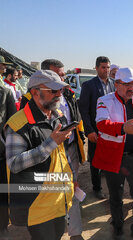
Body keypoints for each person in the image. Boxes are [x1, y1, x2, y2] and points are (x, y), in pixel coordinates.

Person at [5, 70, 75, 240]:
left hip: (59, 198)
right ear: (35, 92)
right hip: (36, 205)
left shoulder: (58, 117)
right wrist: (49, 145)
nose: (59, 94)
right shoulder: (17, 124)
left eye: (61, 90)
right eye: (53, 90)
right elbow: (14, 163)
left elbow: (61, 156)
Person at [91, 67, 133, 240]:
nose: (132, 87)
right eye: (127, 84)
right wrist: (123, 128)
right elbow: (101, 124)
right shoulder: (104, 100)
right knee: (116, 196)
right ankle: (117, 226)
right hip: (114, 158)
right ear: (116, 84)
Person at [40, 59, 86, 240]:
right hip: (49, 154)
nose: (62, 79)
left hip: (71, 149)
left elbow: (77, 117)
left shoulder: (68, 94)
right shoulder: (33, 101)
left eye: (63, 75)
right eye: (57, 76)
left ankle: (75, 233)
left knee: (73, 188)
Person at [79, 56, 114, 200]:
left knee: (111, 159)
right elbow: (84, 110)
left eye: (108, 67)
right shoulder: (89, 85)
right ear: (96, 68)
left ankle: (112, 185)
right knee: (95, 161)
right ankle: (97, 188)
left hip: (111, 130)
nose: (106, 70)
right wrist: (89, 130)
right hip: (95, 131)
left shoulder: (113, 84)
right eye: (103, 67)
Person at [0, 86, 16, 237]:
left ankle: (2, 226)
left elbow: (13, 124)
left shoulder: (5, 93)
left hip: (1, 155)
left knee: (2, 192)